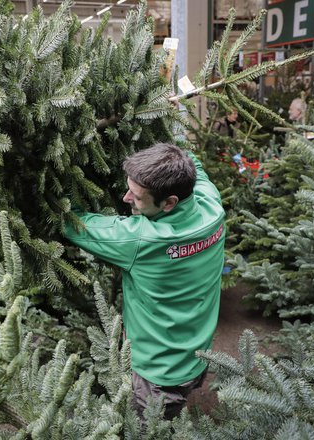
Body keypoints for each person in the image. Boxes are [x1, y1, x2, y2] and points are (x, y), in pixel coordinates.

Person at [63, 143, 226, 420]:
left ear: (169, 202)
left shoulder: (142, 239)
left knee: (148, 428)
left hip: (157, 376)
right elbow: (193, 164)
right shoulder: (211, 206)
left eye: (137, 197)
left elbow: (73, 221)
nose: (126, 198)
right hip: (198, 358)